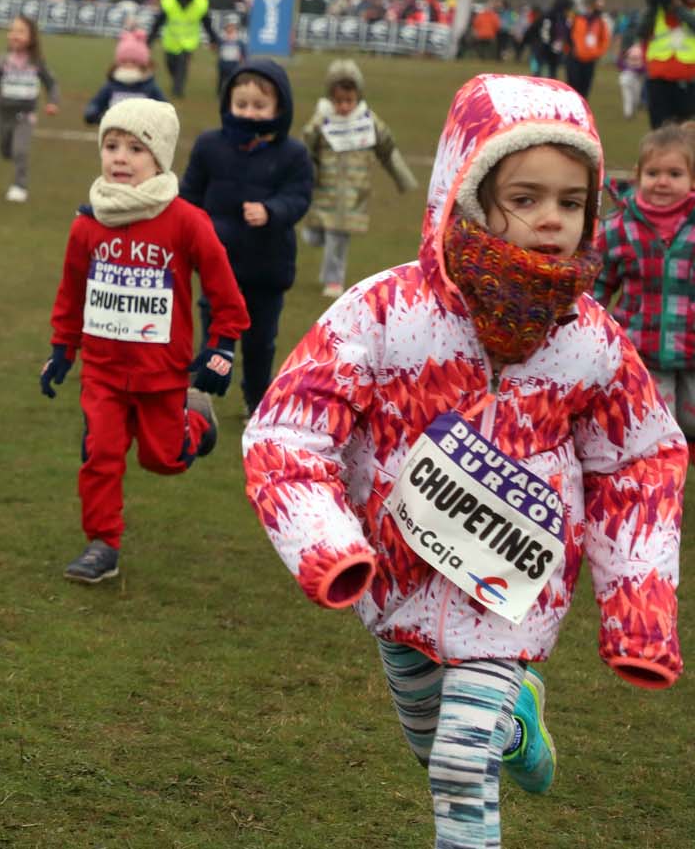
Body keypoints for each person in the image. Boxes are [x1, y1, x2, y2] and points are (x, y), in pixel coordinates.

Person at [243, 73, 684, 849]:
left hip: (515, 591)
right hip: (396, 584)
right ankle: (518, 729)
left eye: (572, 202)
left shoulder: (591, 341)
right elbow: (288, 429)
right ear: (470, 191)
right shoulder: (386, 313)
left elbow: (638, 465)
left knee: (456, 765)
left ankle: (493, 738)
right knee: (430, 745)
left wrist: (639, 615)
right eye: (526, 197)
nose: (552, 219)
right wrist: (332, 546)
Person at [40, 99, 247, 584]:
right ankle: (102, 544)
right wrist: (61, 350)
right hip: (104, 371)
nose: (120, 157)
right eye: (112, 145)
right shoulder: (87, 223)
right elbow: (71, 292)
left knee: (165, 460)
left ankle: (194, 419)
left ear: (160, 158)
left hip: (163, 372)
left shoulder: (187, 221)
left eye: (135, 148)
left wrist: (222, 345)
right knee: (100, 453)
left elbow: (224, 289)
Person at [179, 58, 312, 416]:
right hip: (217, 267)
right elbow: (188, 194)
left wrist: (272, 211)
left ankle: (257, 399)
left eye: (259, 105)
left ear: (279, 107)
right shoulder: (209, 146)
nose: (249, 113)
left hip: (266, 269)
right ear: (228, 104)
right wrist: (190, 229)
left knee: (259, 343)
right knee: (216, 336)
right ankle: (201, 398)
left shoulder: (293, 154)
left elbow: (299, 197)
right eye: (241, 104)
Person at [596, 123, 695, 441]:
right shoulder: (619, 228)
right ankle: (663, 473)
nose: (662, 182)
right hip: (642, 349)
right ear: (639, 175)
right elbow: (597, 283)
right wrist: (587, 327)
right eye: (654, 173)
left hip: (692, 346)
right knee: (654, 425)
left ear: (692, 179)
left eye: (674, 174)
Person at [299, 59, 416, 297]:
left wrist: (404, 179)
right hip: (324, 190)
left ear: (358, 97)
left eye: (349, 101)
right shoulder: (323, 120)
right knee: (314, 235)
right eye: (338, 101)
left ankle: (333, 281)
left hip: (353, 194)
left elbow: (387, 149)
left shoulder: (367, 121)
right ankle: (327, 264)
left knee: (338, 238)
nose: (343, 107)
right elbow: (305, 146)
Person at [0, 15, 60, 203]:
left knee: (20, 150)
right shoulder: (3, 60)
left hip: (26, 114)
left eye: (21, 31)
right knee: (5, 150)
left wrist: (53, 102)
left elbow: (51, 83)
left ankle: (19, 186)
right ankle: (11, 153)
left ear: (32, 37)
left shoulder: (37, 61)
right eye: (12, 31)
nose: (14, 35)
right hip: (4, 114)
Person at [639, 0, 695, 128]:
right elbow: (642, 31)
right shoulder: (656, 13)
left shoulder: (690, 12)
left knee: (686, 131)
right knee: (659, 129)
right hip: (659, 82)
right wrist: (653, 5)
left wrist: (679, 9)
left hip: (687, 82)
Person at [146, 0, 218, 99]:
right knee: (170, 65)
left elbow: (207, 24)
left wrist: (213, 39)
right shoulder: (168, 3)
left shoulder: (200, 4)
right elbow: (158, 23)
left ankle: (178, 88)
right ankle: (176, 80)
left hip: (188, 43)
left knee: (182, 65)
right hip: (171, 42)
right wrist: (150, 40)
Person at [82, 32, 166, 127]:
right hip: (114, 131)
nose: (129, 65)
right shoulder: (111, 86)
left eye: (134, 62)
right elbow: (97, 102)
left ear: (143, 64)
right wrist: (92, 113)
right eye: (124, 61)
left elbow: (164, 108)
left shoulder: (149, 86)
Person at [564, 0, 610, 100]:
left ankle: (582, 110)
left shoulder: (601, 23)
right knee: (573, 86)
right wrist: (569, 51)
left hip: (590, 60)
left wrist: (597, 53)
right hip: (574, 59)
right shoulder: (576, 18)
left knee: (585, 89)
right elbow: (567, 36)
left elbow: (605, 40)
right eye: (598, 5)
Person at [618, 39, 647, 120]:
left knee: (633, 98)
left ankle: (630, 112)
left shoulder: (632, 50)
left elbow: (619, 63)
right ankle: (628, 114)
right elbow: (644, 68)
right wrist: (634, 68)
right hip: (629, 76)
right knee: (629, 96)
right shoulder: (640, 51)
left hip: (632, 77)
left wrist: (627, 66)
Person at [215, 20, 247, 93]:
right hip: (223, 63)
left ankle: (231, 91)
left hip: (234, 63)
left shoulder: (238, 41)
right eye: (228, 27)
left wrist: (242, 60)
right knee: (221, 79)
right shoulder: (222, 39)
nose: (230, 29)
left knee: (232, 78)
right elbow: (218, 49)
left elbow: (243, 52)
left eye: (232, 28)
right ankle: (219, 92)